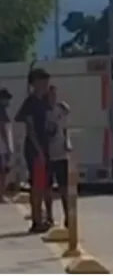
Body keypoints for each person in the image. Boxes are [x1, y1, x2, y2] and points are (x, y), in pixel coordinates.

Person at [15, 68, 51, 233]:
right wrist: (39, 150)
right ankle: (36, 220)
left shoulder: (43, 102)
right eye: (43, 81)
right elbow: (30, 128)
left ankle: (41, 217)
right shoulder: (31, 103)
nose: (45, 85)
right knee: (36, 185)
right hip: (35, 149)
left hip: (43, 147)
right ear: (35, 83)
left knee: (42, 184)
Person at [45, 85, 71, 228]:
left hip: (61, 154)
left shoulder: (61, 110)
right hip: (48, 154)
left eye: (54, 95)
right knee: (47, 187)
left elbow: (66, 128)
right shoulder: (42, 112)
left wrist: (68, 142)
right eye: (50, 95)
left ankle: (68, 216)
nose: (53, 98)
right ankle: (49, 216)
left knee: (64, 187)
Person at [0, 88, 13, 203]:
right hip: (1, 148)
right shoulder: (1, 111)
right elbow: (3, 129)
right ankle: (1, 195)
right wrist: (8, 147)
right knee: (2, 172)